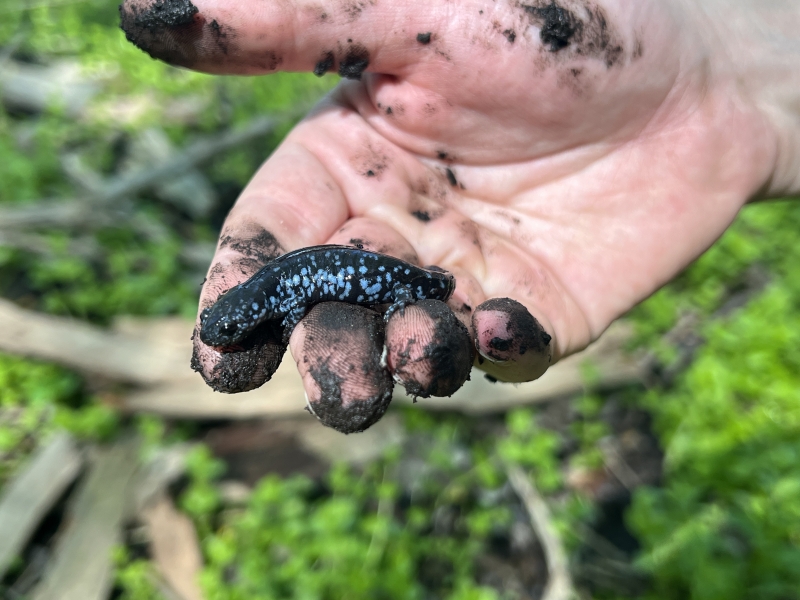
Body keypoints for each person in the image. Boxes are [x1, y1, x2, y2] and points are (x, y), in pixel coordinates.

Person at [120, 0, 799, 432]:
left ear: (252, 306)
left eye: (236, 323)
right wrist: (727, 52)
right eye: (234, 325)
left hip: (395, 275)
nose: (235, 328)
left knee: (400, 299)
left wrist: (714, 55)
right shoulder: (268, 291)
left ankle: (419, 293)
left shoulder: (275, 289)